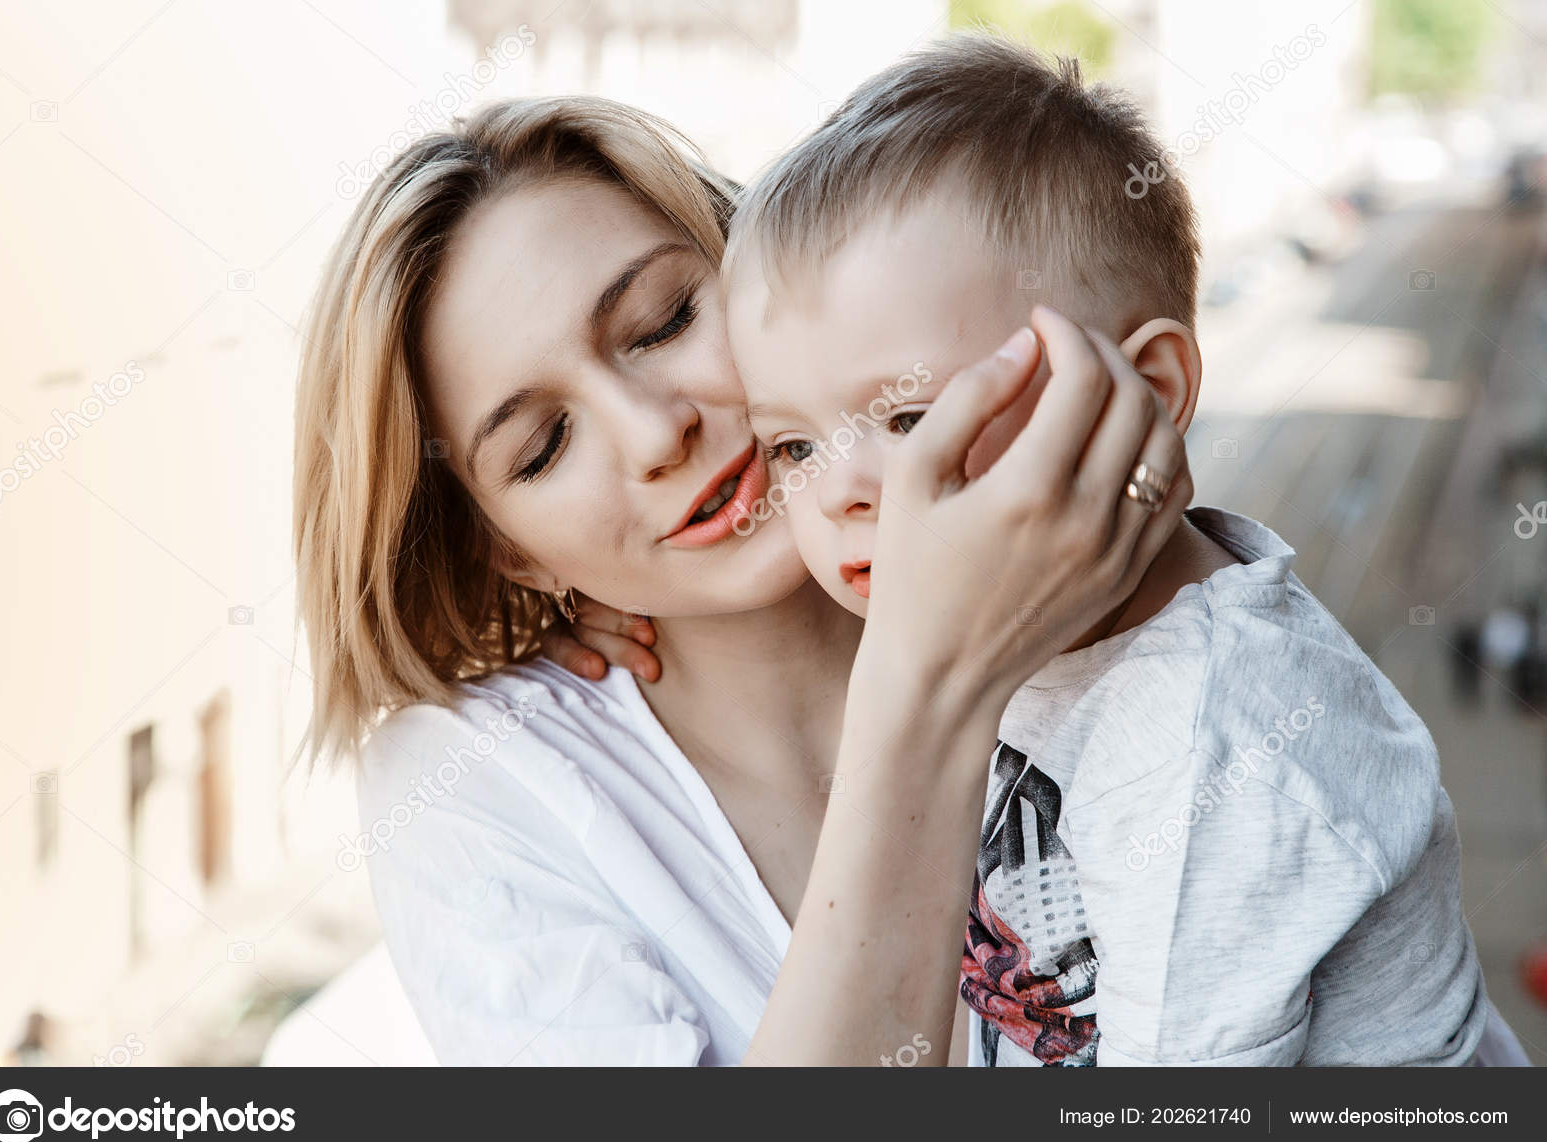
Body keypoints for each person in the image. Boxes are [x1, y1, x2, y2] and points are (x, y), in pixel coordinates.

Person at [294, 89, 1188, 1065]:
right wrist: (928, 690)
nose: (654, 430)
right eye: (544, 448)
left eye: (665, 318)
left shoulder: (1063, 569)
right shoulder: (473, 789)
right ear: (511, 549)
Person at [717, 34, 1526, 1066]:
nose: (839, 491)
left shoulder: (1214, 740)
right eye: (793, 444)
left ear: (1145, 391)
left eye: (915, 419)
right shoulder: (1015, 649)